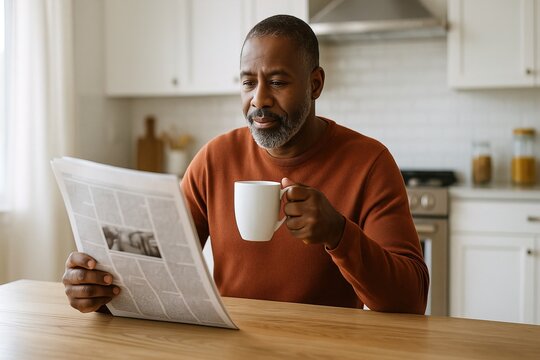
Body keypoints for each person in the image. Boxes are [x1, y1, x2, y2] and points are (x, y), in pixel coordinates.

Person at [63, 15, 429, 314]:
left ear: (315, 84)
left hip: (325, 347)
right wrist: (100, 289)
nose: (259, 100)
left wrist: (339, 233)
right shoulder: (214, 159)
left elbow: (411, 300)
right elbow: (157, 269)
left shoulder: (369, 162)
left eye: (277, 82)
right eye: (248, 83)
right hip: (233, 344)